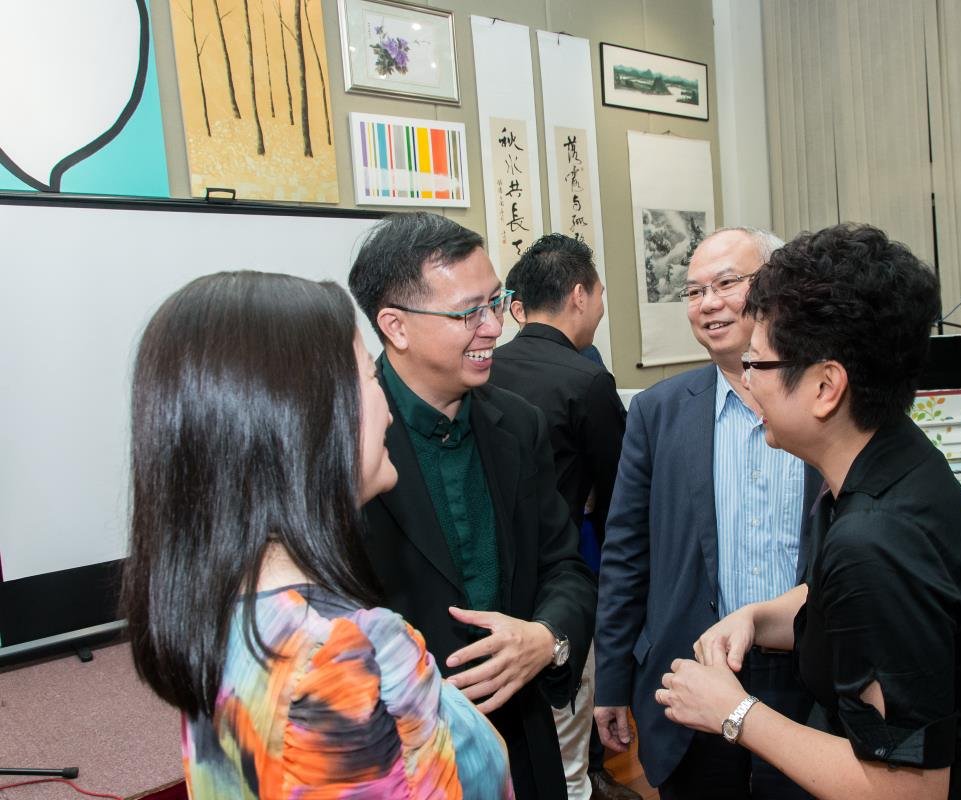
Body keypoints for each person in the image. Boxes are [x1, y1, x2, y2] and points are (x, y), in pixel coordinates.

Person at [657, 224, 961, 800]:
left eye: (758, 365)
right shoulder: (897, 458)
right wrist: (758, 617)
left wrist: (734, 712)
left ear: (827, 387)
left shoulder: (874, 545)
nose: (748, 383)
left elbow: (907, 790)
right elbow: (856, 608)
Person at [121, 271, 513, 798]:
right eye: (370, 376)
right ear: (310, 418)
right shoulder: (344, 654)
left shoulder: (217, 611)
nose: (386, 407)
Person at [348, 212, 598, 800]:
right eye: (468, 313)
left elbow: (564, 566)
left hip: (523, 737)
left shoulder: (519, 424)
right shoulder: (349, 444)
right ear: (396, 326)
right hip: (404, 756)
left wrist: (547, 637)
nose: (493, 327)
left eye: (496, 302)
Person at [595, 227, 821, 799]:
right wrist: (612, 680)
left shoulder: (824, 399)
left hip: (811, 672)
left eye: (725, 284)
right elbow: (626, 553)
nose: (708, 304)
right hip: (695, 675)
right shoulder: (658, 412)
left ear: (774, 288)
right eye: (694, 291)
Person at [489, 234, 632, 800]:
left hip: (497, 580)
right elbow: (622, 492)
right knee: (566, 752)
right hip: (561, 581)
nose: (600, 306)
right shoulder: (586, 380)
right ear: (579, 295)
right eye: (599, 294)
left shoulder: (486, 368)